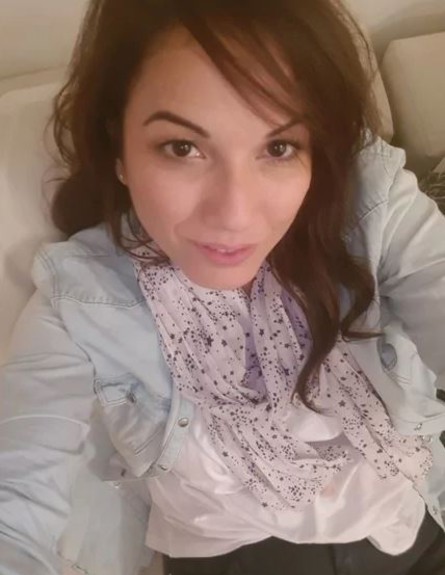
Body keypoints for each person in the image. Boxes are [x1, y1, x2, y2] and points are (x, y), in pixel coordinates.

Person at [1, 0, 445, 574]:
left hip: (409, 521)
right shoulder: (83, 298)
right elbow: (15, 496)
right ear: (119, 149)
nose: (235, 215)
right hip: (231, 556)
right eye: (182, 148)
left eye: (278, 147)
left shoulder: (370, 207)